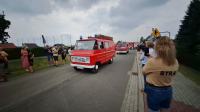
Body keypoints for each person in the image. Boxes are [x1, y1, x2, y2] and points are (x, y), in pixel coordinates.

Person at [143, 36, 179, 112]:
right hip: (168, 90)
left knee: (153, 110)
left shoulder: (152, 61)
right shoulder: (175, 61)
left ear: (157, 47)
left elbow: (144, 71)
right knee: (165, 109)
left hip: (154, 90)